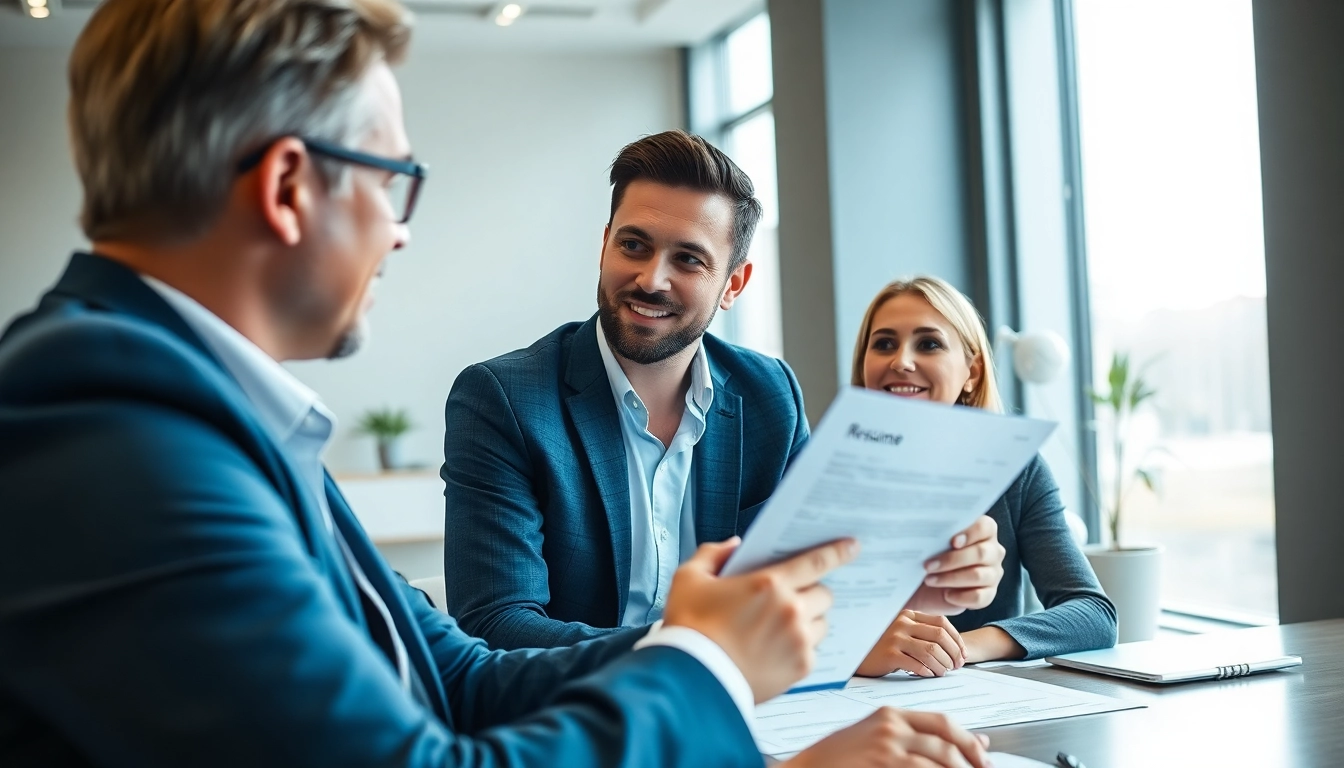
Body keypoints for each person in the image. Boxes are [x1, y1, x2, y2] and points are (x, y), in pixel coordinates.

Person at [0, 1, 995, 766]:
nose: (399, 228)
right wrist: (709, 663)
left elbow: (459, 676)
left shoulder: (201, 415)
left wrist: (719, 641)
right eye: (391, 181)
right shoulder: (114, 435)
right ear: (291, 187)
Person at [442, 131, 1007, 653]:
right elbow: (498, 622)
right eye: (634, 245)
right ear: (605, 245)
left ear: (733, 284)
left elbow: (811, 578)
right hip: (581, 722)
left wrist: (925, 577)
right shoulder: (504, 399)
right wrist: (706, 651)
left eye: (688, 259)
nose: (652, 279)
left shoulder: (770, 395)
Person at [849, 276, 1117, 678]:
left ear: (971, 371)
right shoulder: (827, 471)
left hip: (976, 701)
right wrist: (860, 645)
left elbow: (1094, 615)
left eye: (929, 343)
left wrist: (963, 645)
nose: (901, 361)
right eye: (884, 343)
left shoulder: (1015, 468)